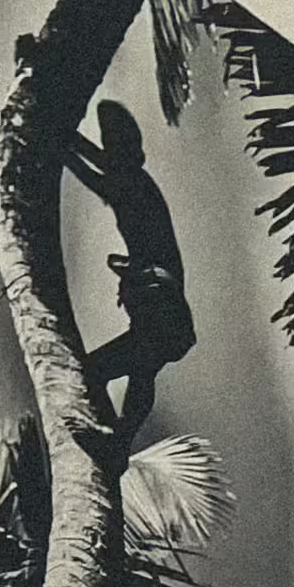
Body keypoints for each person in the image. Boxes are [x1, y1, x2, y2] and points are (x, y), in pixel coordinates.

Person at [62, 98, 194, 468]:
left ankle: (117, 442)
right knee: (136, 369)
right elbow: (102, 164)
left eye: (114, 144)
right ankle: (118, 441)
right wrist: (67, 139)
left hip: (160, 300)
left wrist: (61, 144)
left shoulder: (133, 184)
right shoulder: (134, 178)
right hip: (161, 303)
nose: (110, 151)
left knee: (98, 371)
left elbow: (100, 179)